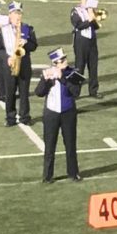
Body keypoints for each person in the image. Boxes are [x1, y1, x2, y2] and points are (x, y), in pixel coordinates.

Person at [35, 48, 83, 183]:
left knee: (70, 144)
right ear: (55, 63)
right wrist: (46, 80)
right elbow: (39, 92)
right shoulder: (48, 73)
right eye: (61, 61)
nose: (65, 62)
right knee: (50, 145)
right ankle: (47, 175)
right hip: (51, 113)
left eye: (65, 59)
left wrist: (62, 78)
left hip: (68, 112)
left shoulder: (72, 73)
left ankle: (73, 173)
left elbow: (76, 92)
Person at [0, 2, 38, 127]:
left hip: (24, 64)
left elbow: (34, 46)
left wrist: (26, 43)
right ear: (10, 15)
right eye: (15, 13)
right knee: (10, 92)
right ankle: (10, 117)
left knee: (24, 92)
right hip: (10, 64)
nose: (18, 16)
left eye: (19, 13)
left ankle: (24, 117)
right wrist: (7, 58)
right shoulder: (3, 30)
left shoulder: (27, 28)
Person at [70, 0, 103, 96]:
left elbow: (96, 27)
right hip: (81, 41)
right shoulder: (75, 10)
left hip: (92, 41)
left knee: (93, 67)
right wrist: (89, 19)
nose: (89, 1)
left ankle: (93, 91)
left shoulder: (91, 11)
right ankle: (75, 92)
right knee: (79, 66)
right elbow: (78, 25)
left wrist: (94, 17)